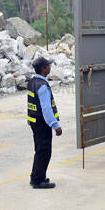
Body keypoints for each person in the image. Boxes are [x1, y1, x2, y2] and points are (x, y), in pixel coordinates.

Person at [27, 57, 62, 189]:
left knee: (39, 150)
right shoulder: (42, 86)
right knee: (44, 151)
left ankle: (38, 177)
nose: (50, 67)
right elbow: (46, 109)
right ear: (43, 69)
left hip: (35, 123)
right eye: (48, 65)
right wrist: (55, 126)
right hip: (42, 124)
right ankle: (37, 181)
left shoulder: (32, 81)